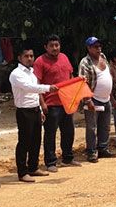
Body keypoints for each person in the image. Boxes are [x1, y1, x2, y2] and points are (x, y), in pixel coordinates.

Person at [9, 43, 59, 182]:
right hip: (24, 111)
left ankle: (33, 167)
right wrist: (48, 88)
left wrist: (40, 107)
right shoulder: (16, 74)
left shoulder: (31, 73)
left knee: (36, 140)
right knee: (24, 141)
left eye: (31, 56)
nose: (30, 58)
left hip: (35, 109)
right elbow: (29, 87)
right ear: (19, 58)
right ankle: (22, 172)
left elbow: (35, 92)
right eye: (26, 56)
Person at [33, 34, 81, 172]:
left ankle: (68, 157)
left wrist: (73, 96)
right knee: (50, 134)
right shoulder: (40, 61)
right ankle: (51, 162)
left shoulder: (64, 57)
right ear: (45, 47)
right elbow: (37, 84)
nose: (55, 48)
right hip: (51, 103)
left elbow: (70, 77)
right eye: (52, 46)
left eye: (57, 45)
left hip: (66, 103)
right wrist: (42, 103)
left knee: (69, 132)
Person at [79, 37, 116, 163]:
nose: (98, 48)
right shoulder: (85, 63)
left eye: (99, 46)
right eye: (95, 46)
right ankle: (91, 151)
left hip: (106, 98)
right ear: (88, 48)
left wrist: (111, 96)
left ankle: (103, 148)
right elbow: (82, 83)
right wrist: (87, 100)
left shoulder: (103, 57)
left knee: (105, 125)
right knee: (92, 127)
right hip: (93, 98)